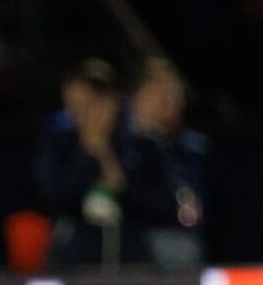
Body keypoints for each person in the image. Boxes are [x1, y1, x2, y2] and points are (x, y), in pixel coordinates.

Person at [33, 58, 175, 269]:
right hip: (73, 263)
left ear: (113, 101)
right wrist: (87, 154)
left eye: (94, 103)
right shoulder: (59, 144)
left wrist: (121, 182)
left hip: (132, 261)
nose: (86, 114)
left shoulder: (141, 146)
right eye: (78, 107)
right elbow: (53, 199)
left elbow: (164, 208)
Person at [126, 57, 209, 269]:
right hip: (129, 244)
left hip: (182, 245)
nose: (166, 101)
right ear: (137, 97)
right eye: (157, 91)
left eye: (173, 92)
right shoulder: (119, 144)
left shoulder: (195, 148)